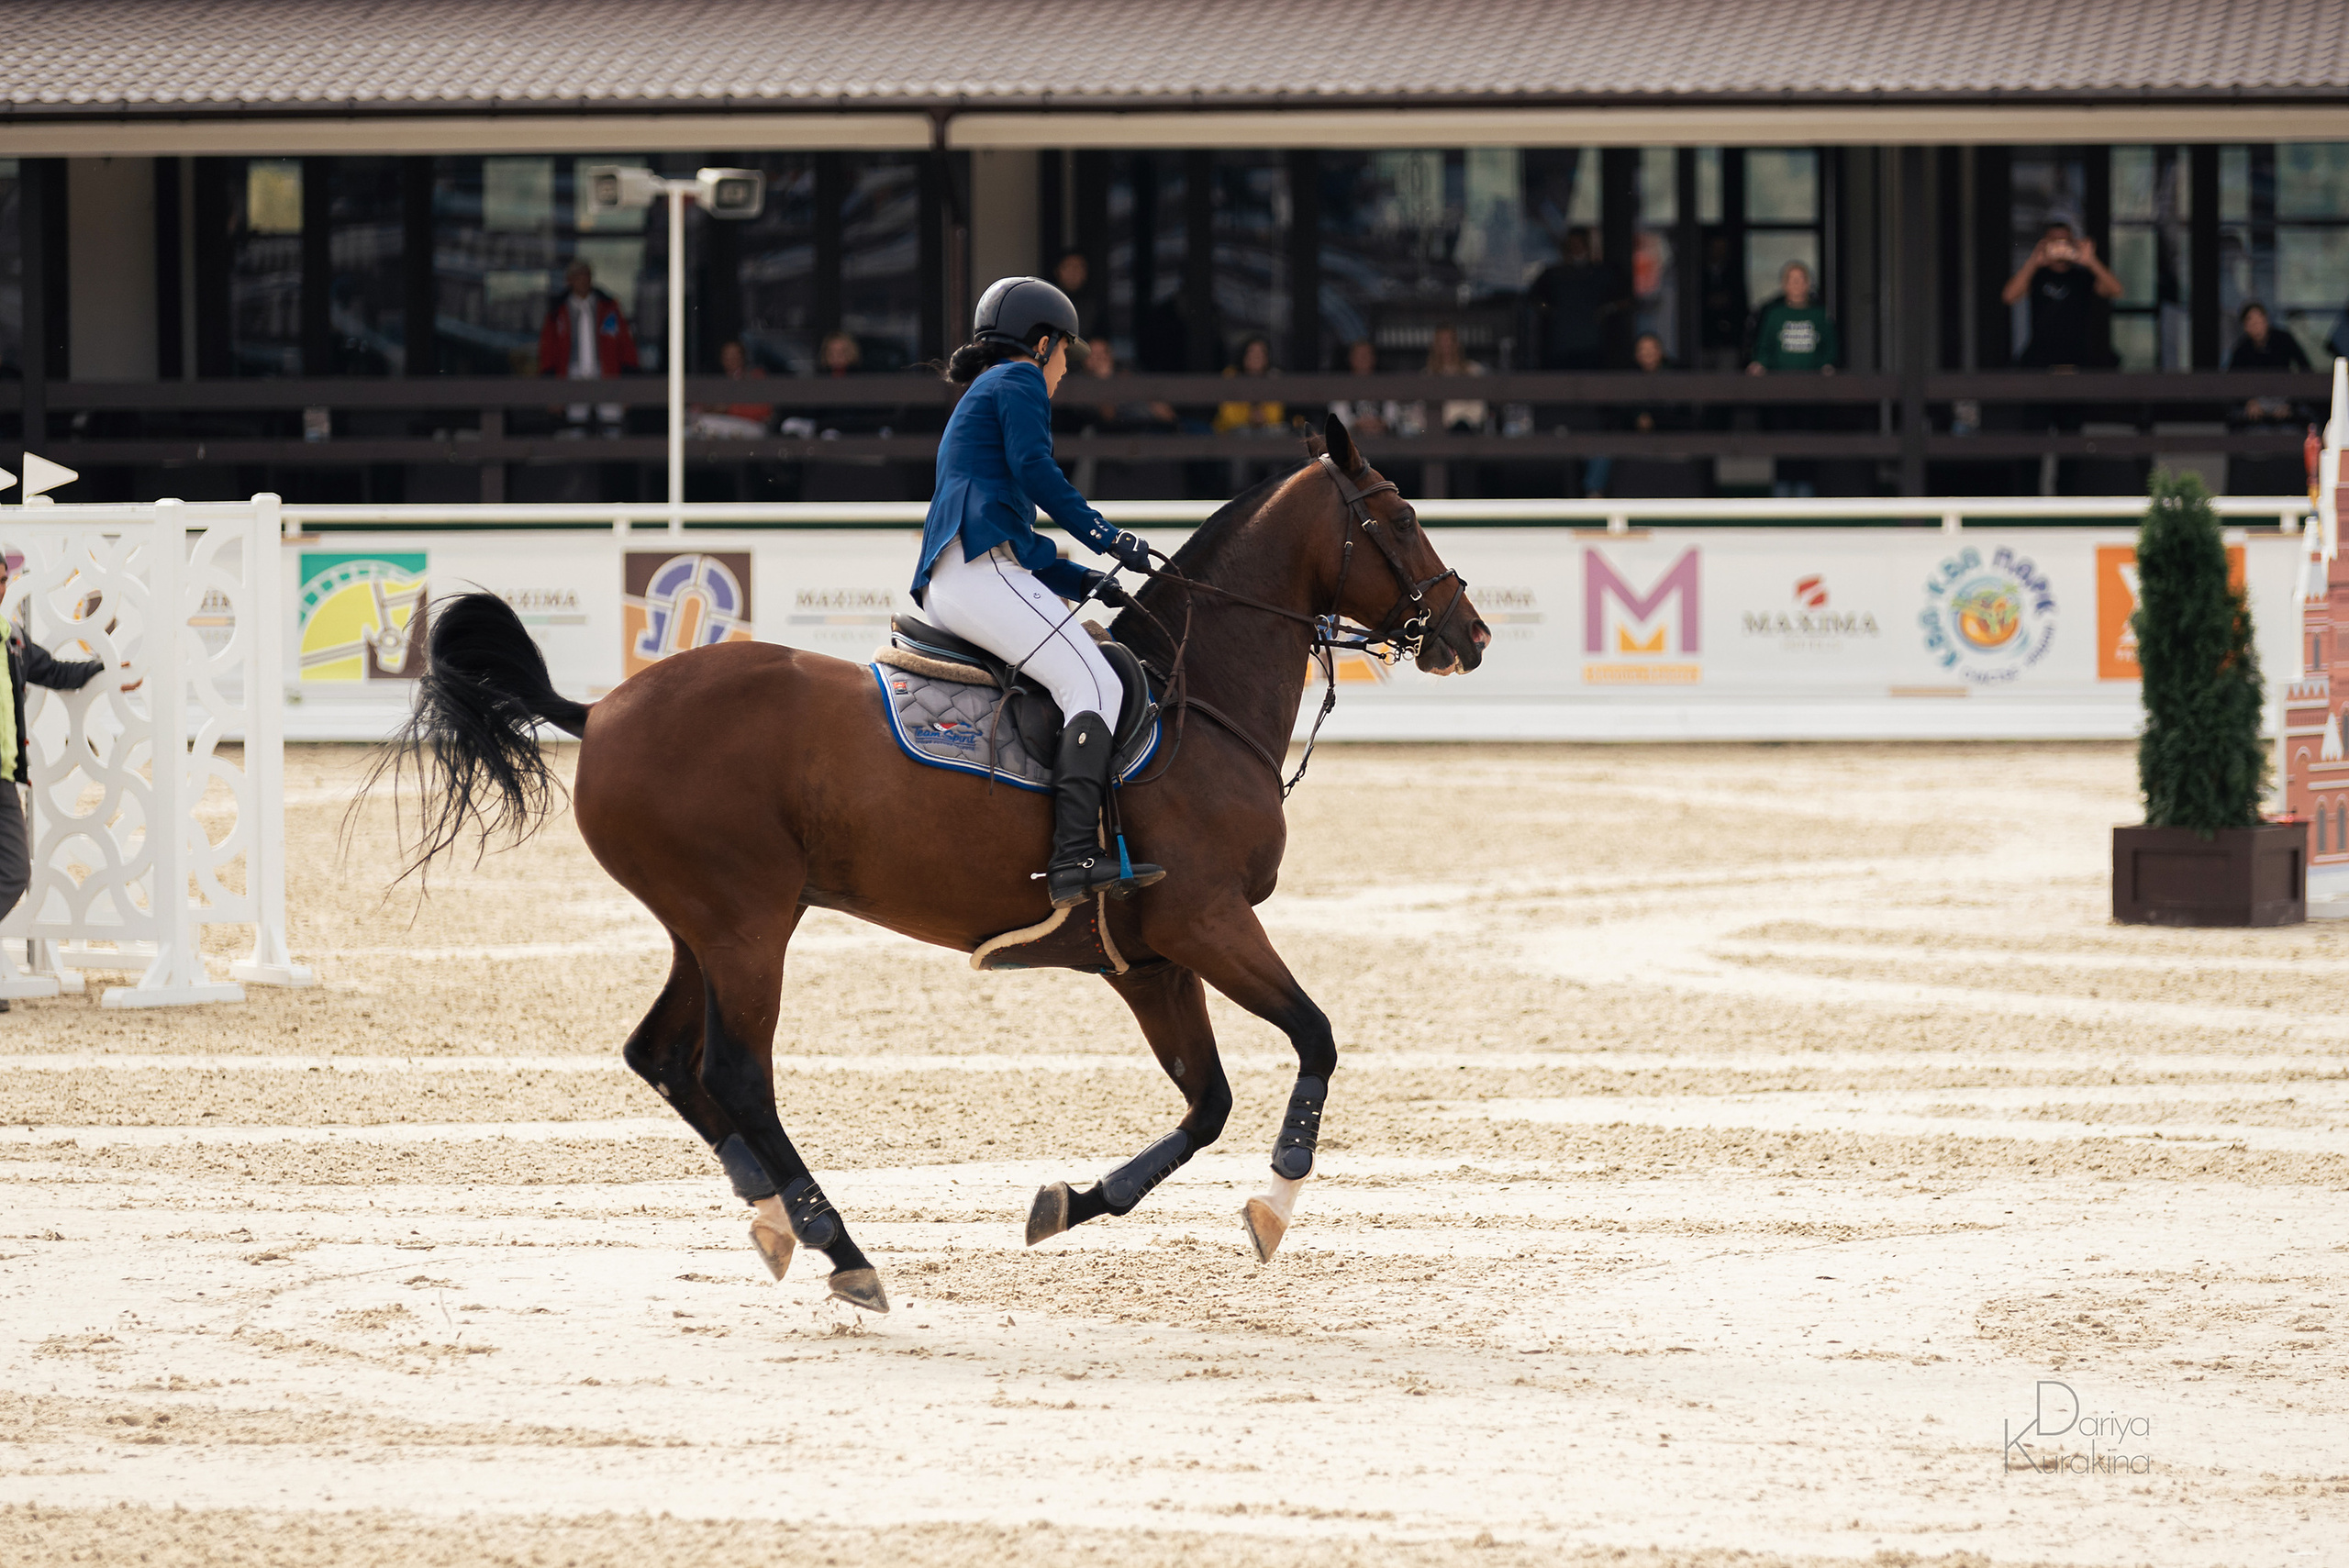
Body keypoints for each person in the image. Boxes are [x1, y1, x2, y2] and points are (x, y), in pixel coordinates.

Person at [912, 276, 1163, 908]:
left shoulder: (987, 388)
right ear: (1043, 343)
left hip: (967, 574)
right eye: (1066, 353)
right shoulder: (1020, 379)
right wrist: (1107, 536)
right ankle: (1073, 857)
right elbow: (1037, 471)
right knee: (1097, 684)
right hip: (978, 573)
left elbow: (1019, 540)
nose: (1065, 370)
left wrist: (1083, 579)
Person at [0, 551, 138, 1013]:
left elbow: (57, 672)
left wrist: (105, 669)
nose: (0, 588)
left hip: (3, 777)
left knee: (14, 873)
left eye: (3, 579)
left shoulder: (12, 638)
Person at [537, 260, 640, 433]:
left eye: (586, 276)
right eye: (578, 277)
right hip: (572, 372)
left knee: (612, 419)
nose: (583, 281)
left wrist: (628, 383)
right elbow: (548, 351)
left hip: (606, 371)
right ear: (569, 280)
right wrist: (551, 389)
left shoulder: (608, 307)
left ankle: (612, 450)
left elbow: (624, 345)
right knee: (574, 421)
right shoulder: (558, 311)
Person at [2002, 221, 2121, 370]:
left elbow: (2116, 291)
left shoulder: (2083, 276)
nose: (2060, 247)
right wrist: (2034, 261)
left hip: (2079, 357)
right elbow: (2009, 296)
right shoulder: (2036, 275)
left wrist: (2091, 261)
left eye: (2065, 241)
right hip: (2040, 358)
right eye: (2054, 241)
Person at [1527, 228, 1628, 371]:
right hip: (1560, 345)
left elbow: (1626, 300)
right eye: (1572, 244)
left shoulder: (1603, 273)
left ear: (1588, 245)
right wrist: (1551, 312)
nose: (1576, 248)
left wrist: (1607, 309)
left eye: (1579, 243)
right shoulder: (1553, 275)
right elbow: (1534, 299)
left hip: (1594, 345)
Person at [1746, 261, 1839, 376]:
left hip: (1813, 379)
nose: (1796, 283)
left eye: (1800, 279)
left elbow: (1830, 348)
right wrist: (1760, 364)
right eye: (1791, 279)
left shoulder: (1820, 314)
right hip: (1778, 378)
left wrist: (1827, 365)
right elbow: (1764, 347)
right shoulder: (1774, 314)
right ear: (1784, 284)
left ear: (1808, 283)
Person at [1328, 339, 1412, 439]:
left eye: (1367, 355)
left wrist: (1381, 423)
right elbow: (1339, 418)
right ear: (1351, 358)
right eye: (1359, 355)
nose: (1364, 359)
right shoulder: (1342, 387)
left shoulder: (1385, 385)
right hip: (1351, 441)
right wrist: (1358, 424)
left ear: (1374, 358)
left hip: (1384, 440)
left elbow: (1392, 415)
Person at [689, 339, 773, 439]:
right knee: (695, 424)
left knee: (705, 423)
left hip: (752, 425)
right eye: (727, 355)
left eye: (735, 355)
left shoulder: (755, 376)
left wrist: (728, 408)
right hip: (727, 425)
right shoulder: (720, 381)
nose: (731, 359)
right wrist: (708, 408)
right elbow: (698, 408)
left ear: (743, 357)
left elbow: (764, 411)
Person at [1212, 336, 1286, 434]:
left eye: (1261, 352)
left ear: (1267, 358)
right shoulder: (1230, 375)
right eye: (1251, 352)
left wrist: (1264, 418)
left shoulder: (1273, 378)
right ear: (1243, 355)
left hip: (1266, 432)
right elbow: (1227, 416)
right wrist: (1249, 417)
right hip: (1232, 433)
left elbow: (1276, 416)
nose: (1256, 356)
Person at [1423, 324, 1488, 432]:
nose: (1446, 346)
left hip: (1468, 430)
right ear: (1434, 346)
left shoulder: (1474, 370)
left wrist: (1464, 422)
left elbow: (1479, 407)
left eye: (1449, 340)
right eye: (1441, 341)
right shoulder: (1427, 374)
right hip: (1437, 431)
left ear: (1457, 344)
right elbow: (1422, 410)